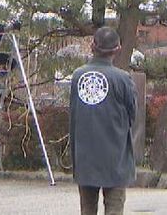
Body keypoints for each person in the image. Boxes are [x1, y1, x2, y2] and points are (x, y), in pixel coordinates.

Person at [69, 27, 137, 215]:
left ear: (92, 47)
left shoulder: (77, 77)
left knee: (87, 209)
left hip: (85, 156)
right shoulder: (123, 79)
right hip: (115, 156)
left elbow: (73, 115)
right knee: (114, 208)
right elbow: (132, 115)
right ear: (117, 49)